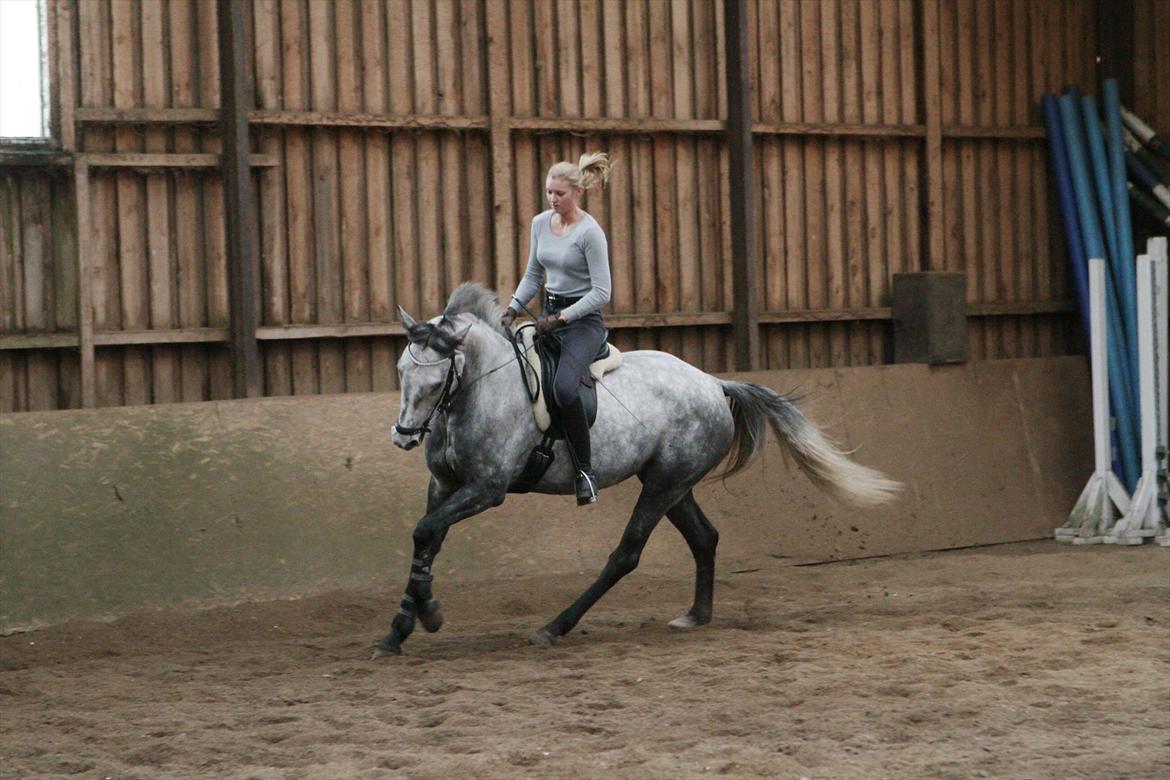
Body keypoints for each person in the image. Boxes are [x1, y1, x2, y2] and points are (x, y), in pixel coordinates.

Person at [501, 152, 613, 507]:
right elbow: (534, 274)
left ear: (576, 193)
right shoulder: (539, 223)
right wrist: (513, 307)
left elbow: (602, 292)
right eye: (549, 192)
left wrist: (562, 319)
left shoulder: (590, 233)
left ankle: (584, 471)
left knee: (565, 389)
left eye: (559, 194)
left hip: (582, 323)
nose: (552, 199)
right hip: (548, 315)